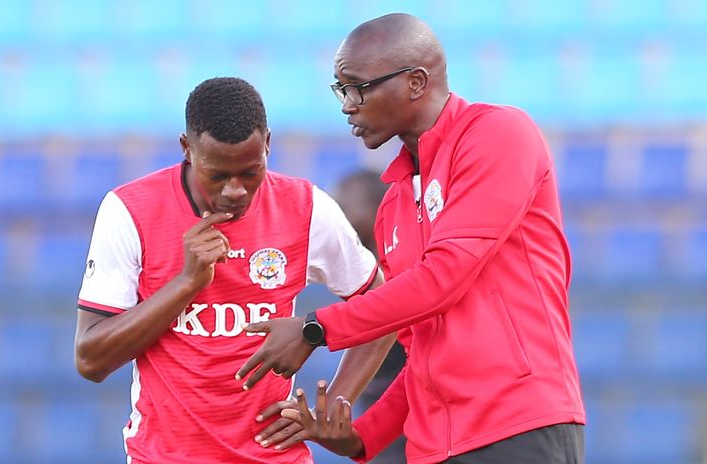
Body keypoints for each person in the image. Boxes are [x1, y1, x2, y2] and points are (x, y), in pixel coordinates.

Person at [236, 13, 586, 464]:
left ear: (416, 82)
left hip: (517, 427)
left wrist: (315, 329)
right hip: (431, 447)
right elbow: (420, 352)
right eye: (340, 89)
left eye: (358, 86)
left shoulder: (499, 134)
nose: (347, 104)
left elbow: (446, 276)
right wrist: (363, 437)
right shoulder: (393, 204)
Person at [73, 77, 395, 463]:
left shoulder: (307, 208)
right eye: (218, 175)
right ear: (187, 149)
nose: (235, 191)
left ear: (268, 145)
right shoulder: (130, 211)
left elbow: (382, 305)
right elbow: (91, 360)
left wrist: (335, 403)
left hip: (276, 456)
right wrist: (187, 283)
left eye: (249, 172)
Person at [335, 170, 407, 464]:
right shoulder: (359, 274)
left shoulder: (405, 272)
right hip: (381, 411)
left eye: (344, 206)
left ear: (374, 208)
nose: (336, 218)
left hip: (412, 414)